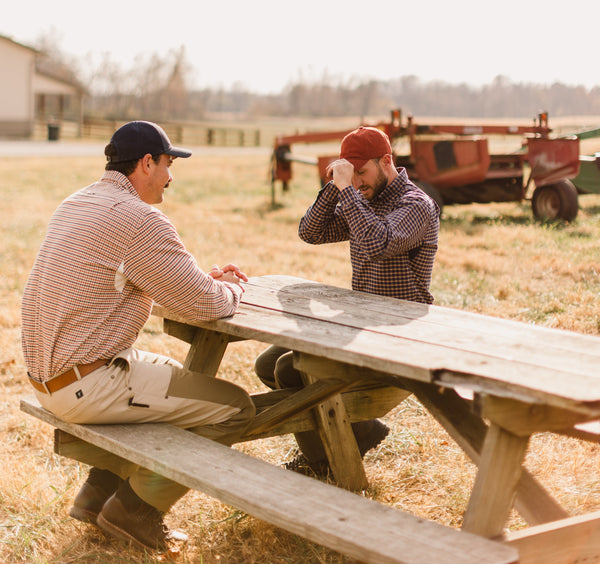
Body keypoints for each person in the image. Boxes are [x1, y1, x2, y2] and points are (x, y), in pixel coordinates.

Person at [21, 121, 255, 555]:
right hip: (85, 384)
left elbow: (157, 278)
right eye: (168, 164)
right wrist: (236, 288)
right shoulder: (139, 218)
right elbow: (209, 305)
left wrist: (203, 280)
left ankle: (95, 497)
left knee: (176, 377)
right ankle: (133, 509)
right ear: (147, 163)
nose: (171, 176)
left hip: (50, 379)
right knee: (235, 408)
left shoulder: (79, 201)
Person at [255, 125, 439, 474]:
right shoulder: (362, 197)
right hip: (358, 324)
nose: (356, 182)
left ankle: (323, 463)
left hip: (398, 334)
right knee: (268, 365)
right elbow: (311, 232)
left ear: (386, 161)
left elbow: (376, 244)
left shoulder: (416, 205)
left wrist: (348, 192)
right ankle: (360, 431)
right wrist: (333, 188)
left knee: (290, 370)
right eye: (349, 174)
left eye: (362, 172)